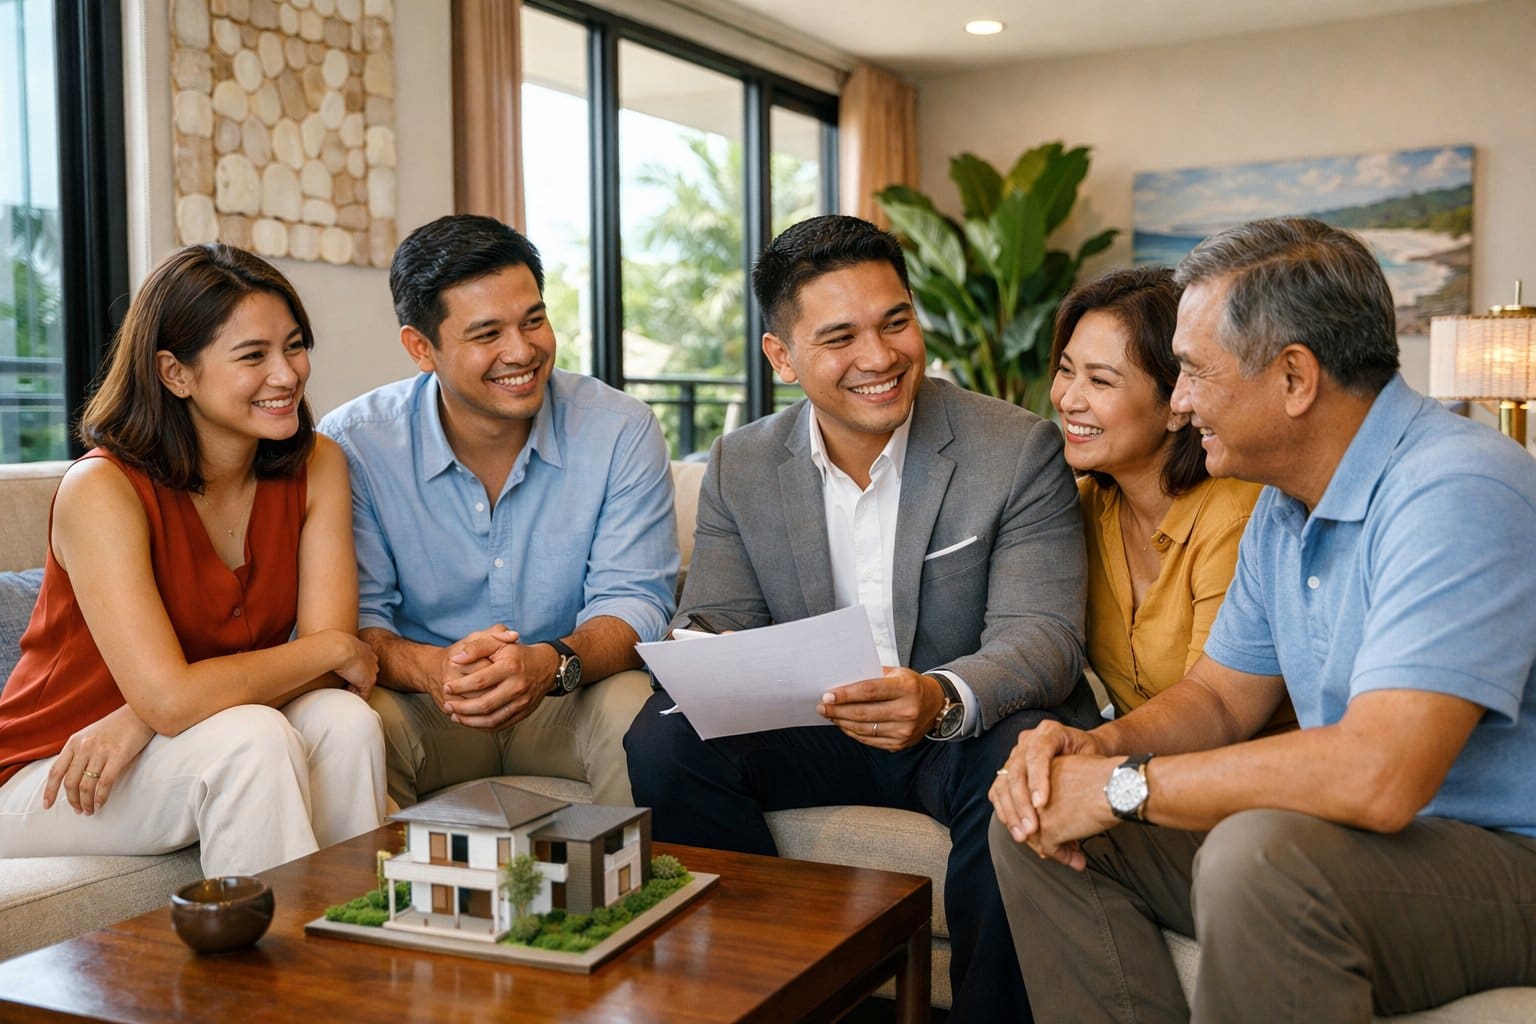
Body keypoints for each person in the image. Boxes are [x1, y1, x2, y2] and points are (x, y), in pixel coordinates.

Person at [990, 217, 1536, 1023]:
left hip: (1501, 859)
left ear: (1294, 378)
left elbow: (1380, 775)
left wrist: (1121, 784)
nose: (1178, 402)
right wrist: (1088, 754)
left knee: (1261, 859)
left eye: (1193, 373)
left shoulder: (1457, 487)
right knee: (1027, 818)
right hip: (1354, 843)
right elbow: (1217, 699)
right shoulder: (1284, 510)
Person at [625, 214, 1095, 1021]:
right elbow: (713, 614)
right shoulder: (742, 462)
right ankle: (768, 995)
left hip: (958, 728)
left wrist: (938, 697)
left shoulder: (1015, 448)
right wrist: (706, 648)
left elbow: (1044, 638)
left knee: (1023, 760)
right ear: (782, 357)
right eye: (840, 337)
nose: (880, 358)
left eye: (896, 322)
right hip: (817, 722)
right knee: (664, 738)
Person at [0, 244, 385, 877]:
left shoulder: (318, 465)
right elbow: (326, 651)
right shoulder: (100, 491)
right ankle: (263, 976)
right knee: (251, 743)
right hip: (53, 770)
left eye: (293, 345)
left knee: (346, 724)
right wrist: (164, 708)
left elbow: (331, 671)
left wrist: (145, 717)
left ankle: (356, 954)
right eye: (252, 356)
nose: (287, 374)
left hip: (153, 739)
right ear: (175, 373)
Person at [318, 214, 677, 809]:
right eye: (487, 334)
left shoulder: (620, 429)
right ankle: (382, 901)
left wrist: (550, 663)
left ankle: (637, 897)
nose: (522, 350)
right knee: (350, 723)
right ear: (420, 347)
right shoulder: (355, 443)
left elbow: (637, 600)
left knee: (639, 712)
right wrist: (436, 669)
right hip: (427, 701)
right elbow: (356, 623)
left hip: (570, 691)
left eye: (533, 320)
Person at [1050, 267, 1291, 729]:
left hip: (1243, 775)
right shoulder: (1078, 508)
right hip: (1138, 762)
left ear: (1178, 405)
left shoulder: (1236, 519)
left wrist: (1095, 755)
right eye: (1066, 371)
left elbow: (1214, 712)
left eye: (1100, 381)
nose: (1068, 399)